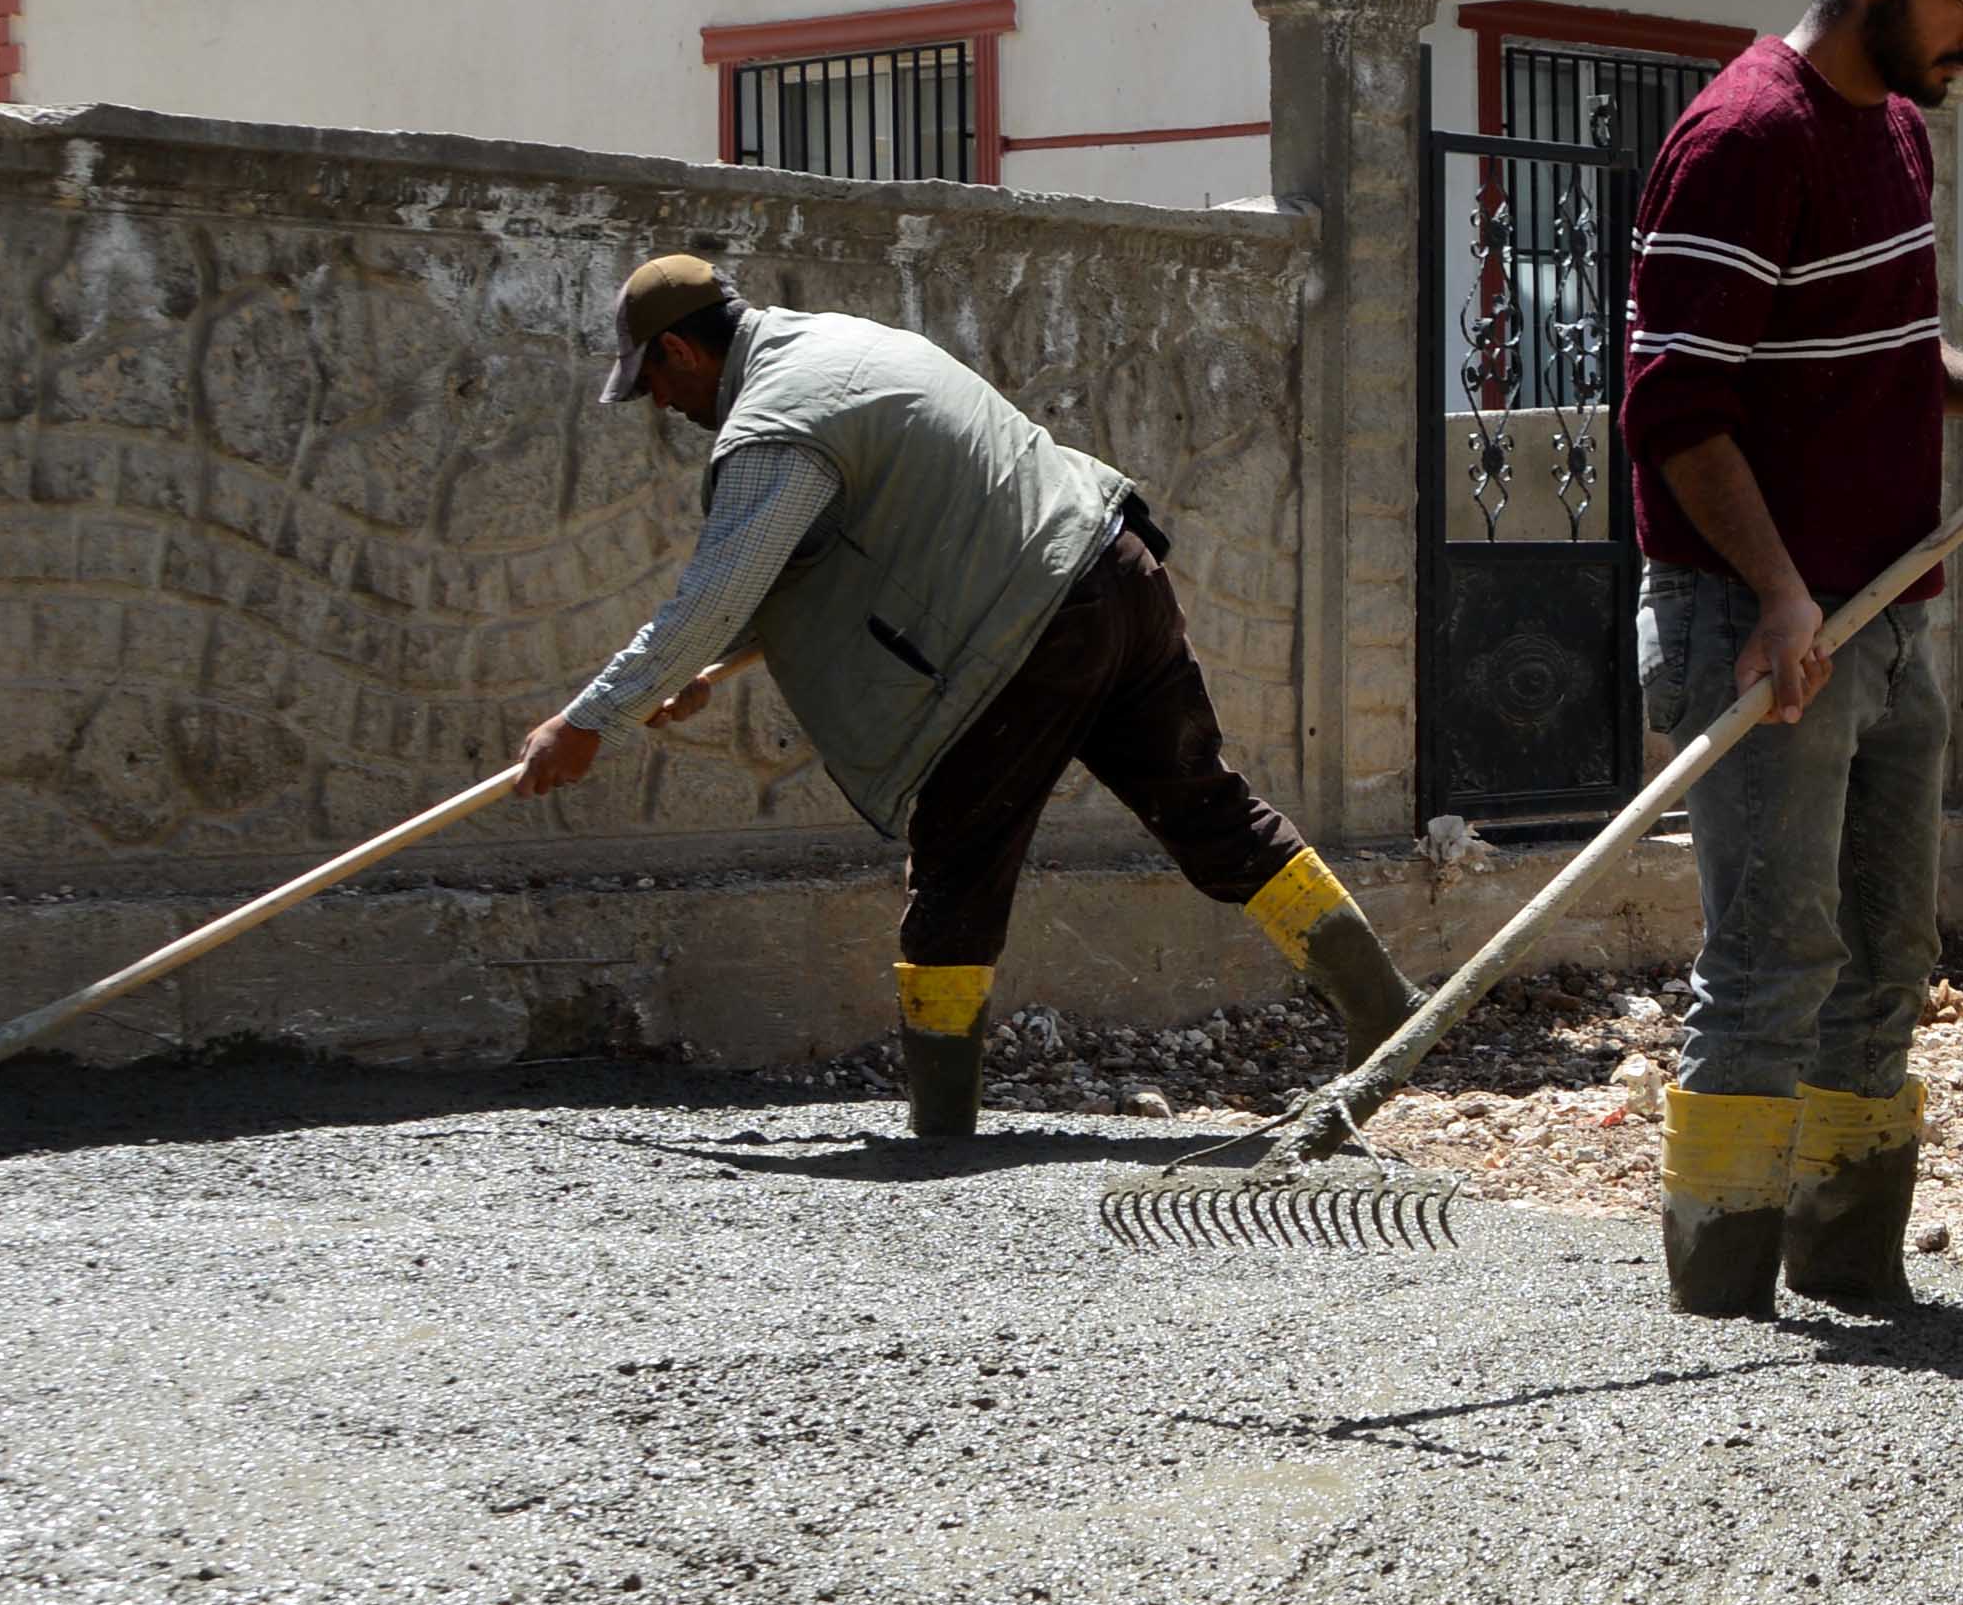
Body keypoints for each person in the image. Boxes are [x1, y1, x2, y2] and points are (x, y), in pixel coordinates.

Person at [517, 253, 1413, 1141]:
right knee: (1207, 808)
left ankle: (941, 1133)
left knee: (954, 867)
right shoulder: (837, 345)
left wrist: (585, 719)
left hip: (1028, 632)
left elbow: (717, 590)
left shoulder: (772, 427)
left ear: (678, 351)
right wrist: (693, 672)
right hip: (1112, 566)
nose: (667, 410)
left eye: (656, 387)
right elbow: (850, 546)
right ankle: (1382, 1007)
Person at [1623, 0, 1963, 1320]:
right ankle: (1720, 1277)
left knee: (1886, 953)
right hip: (1760, 619)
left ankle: (1847, 1254)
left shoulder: (1895, 133)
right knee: (1774, 955)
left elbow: (1896, 342)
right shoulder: (1740, 142)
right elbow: (1674, 412)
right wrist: (1776, 596)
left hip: (1886, 609)